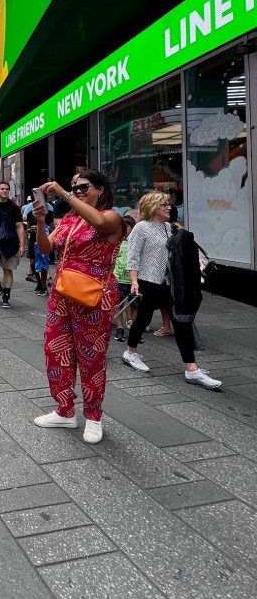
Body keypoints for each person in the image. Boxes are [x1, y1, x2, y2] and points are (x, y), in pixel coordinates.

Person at [31, 170, 124, 444]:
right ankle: (64, 410)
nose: (78, 191)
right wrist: (40, 222)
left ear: (101, 190)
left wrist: (63, 193)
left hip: (94, 297)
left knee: (91, 358)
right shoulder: (70, 220)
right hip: (62, 293)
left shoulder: (112, 217)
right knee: (56, 351)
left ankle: (93, 416)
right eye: (75, 188)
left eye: (84, 187)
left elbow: (99, 222)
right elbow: (46, 248)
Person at [122, 192, 220, 389]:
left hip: (170, 283)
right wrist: (134, 281)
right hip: (149, 281)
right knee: (144, 319)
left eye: (169, 204)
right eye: (164, 205)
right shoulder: (141, 228)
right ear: (152, 207)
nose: (169, 207)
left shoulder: (170, 227)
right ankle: (131, 352)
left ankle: (191, 368)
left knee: (180, 322)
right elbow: (133, 257)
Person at [112, 215, 136, 341]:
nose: (125, 229)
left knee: (135, 305)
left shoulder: (136, 243)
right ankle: (120, 327)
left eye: (128, 227)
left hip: (133, 280)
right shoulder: (116, 242)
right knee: (119, 304)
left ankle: (135, 329)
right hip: (118, 279)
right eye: (123, 227)